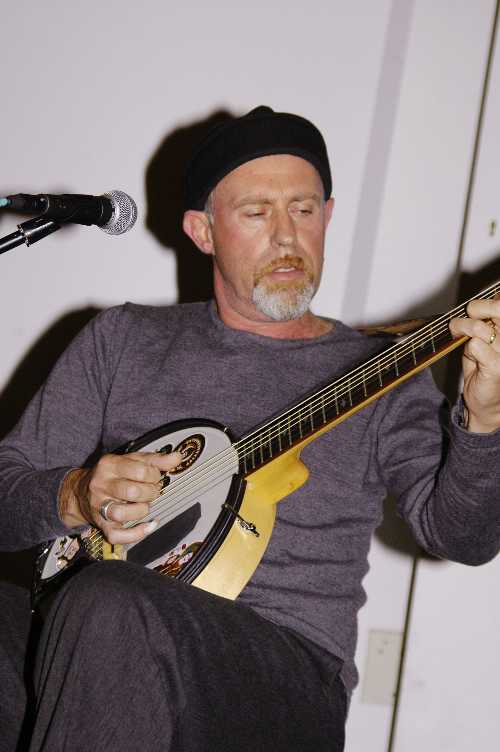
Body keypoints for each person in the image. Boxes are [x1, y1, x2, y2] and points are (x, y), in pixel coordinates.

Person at [0, 105, 499, 752]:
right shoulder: (121, 340)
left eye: (304, 209)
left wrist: (485, 421)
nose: (287, 236)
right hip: (103, 620)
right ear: (202, 231)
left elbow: (463, 537)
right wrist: (75, 494)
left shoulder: (382, 373)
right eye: (257, 213)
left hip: (283, 678)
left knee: (109, 604)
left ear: (328, 216)